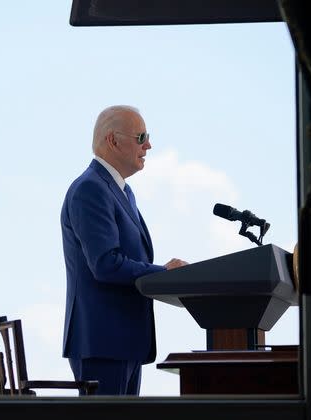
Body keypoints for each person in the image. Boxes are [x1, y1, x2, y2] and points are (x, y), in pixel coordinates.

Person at [60, 105, 188, 395]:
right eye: (141, 137)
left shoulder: (122, 191)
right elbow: (106, 264)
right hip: (103, 340)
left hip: (125, 339)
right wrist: (164, 273)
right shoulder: (90, 189)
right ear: (113, 140)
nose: (148, 145)